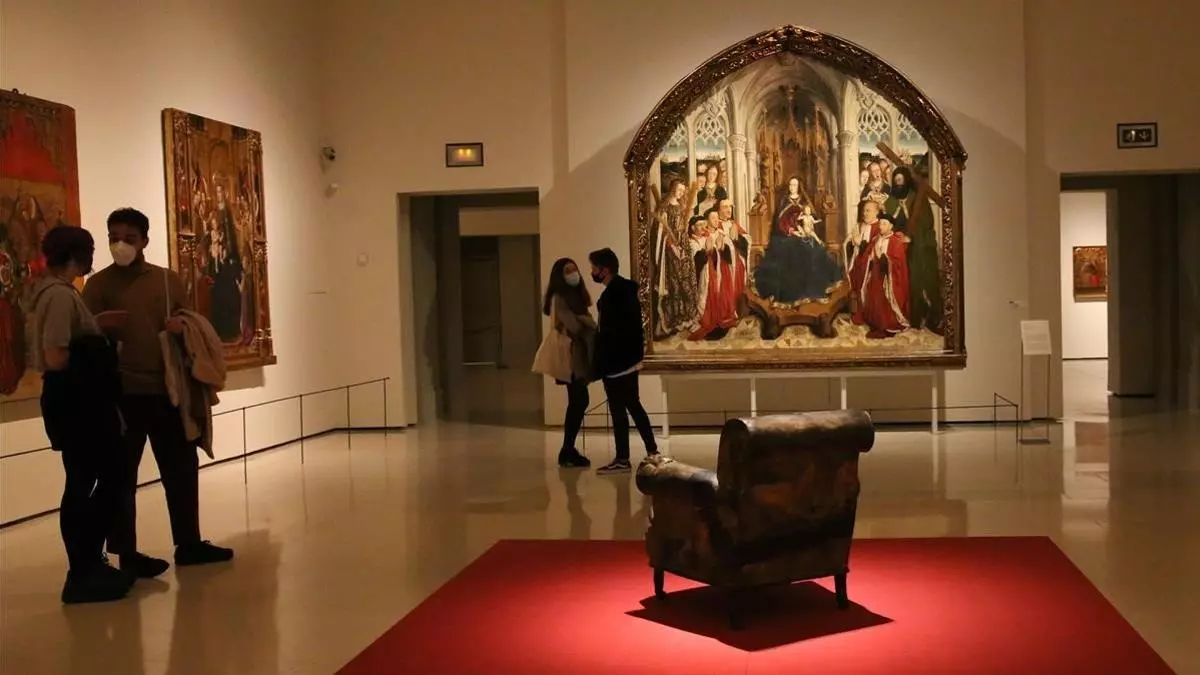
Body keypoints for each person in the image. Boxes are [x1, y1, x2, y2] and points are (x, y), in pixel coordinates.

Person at [84, 207, 233, 579]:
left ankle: (189, 543)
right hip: (122, 394)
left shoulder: (167, 280)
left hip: (167, 390)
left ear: (145, 240)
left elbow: (190, 322)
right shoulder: (98, 285)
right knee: (121, 477)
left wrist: (182, 326)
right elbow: (85, 338)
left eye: (129, 238)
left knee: (181, 469)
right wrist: (100, 327)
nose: (120, 245)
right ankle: (126, 553)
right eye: (114, 238)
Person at [30, 225, 133, 603]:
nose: (93, 256)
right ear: (76, 254)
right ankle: (82, 569)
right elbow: (57, 355)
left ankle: (87, 564)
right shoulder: (59, 295)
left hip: (75, 400)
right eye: (89, 249)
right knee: (94, 481)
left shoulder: (56, 292)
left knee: (89, 480)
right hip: (78, 402)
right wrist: (101, 351)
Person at [588, 248, 658, 475]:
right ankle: (652, 450)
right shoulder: (626, 291)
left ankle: (622, 458)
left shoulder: (612, 296)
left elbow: (609, 334)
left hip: (616, 363)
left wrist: (600, 363)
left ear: (604, 269)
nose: (592, 272)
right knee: (634, 406)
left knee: (619, 411)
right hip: (629, 360)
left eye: (594, 268)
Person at [540, 257, 594, 468]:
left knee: (578, 400)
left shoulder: (575, 296)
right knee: (579, 399)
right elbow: (575, 326)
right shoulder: (560, 297)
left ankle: (568, 449)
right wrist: (588, 321)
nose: (573, 274)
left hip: (577, 355)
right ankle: (567, 449)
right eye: (568, 271)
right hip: (570, 357)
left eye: (574, 269)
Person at [753, 177, 840, 304]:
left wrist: (805, 231)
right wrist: (791, 231)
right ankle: (792, 294)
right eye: (790, 184)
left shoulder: (803, 201)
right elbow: (780, 221)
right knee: (791, 250)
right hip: (786, 235)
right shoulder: (784, 200)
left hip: (804, 233)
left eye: (794, 185)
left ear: (799, 187)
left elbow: (810, 218)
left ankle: (811, 290)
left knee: (813, 250)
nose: (792, 187)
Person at [854, 218, 911, 338]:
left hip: (888, 278)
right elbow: (868, 255)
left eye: (884, 224)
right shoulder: (876, 239)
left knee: (883, 297)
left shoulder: (896, 241)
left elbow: (898, 264)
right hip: (875, 274)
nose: (880, 226)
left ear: (891, 226)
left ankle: (886, 325)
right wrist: (870, 257)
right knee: (872, 293)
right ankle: (875, 322)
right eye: (880, 223)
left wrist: (884, 260)